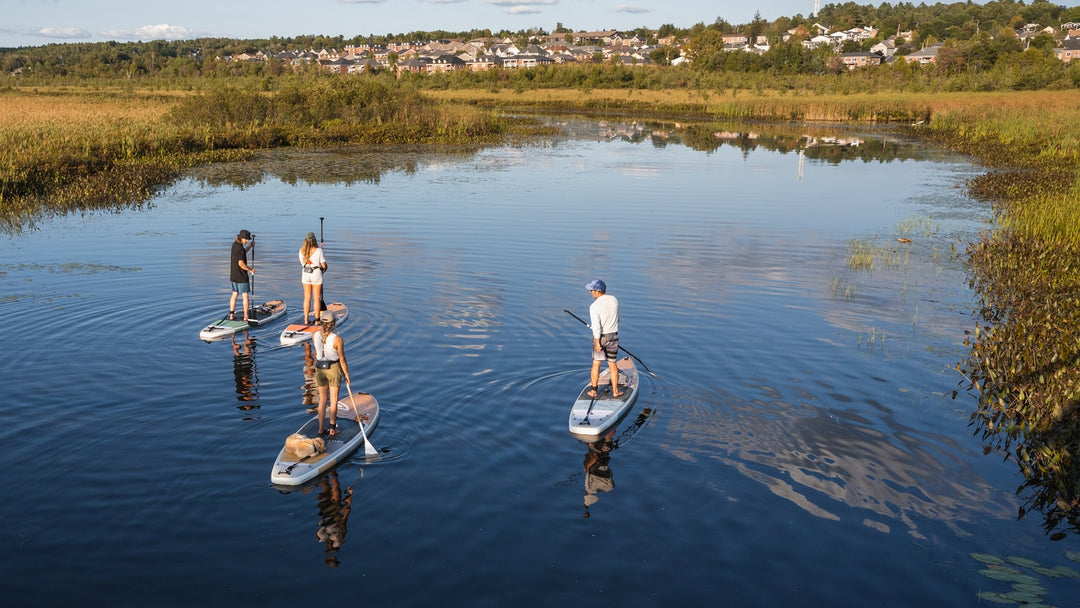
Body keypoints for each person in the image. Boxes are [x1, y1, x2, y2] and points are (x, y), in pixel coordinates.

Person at [313, 309, 350, 438]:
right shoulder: (337, 339)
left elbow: (316, 352)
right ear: (333, 323)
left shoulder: (315, 335)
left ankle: (321, 429)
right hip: (333, 368)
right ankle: (332, 429)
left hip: (319, 368)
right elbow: (342, 359)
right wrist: (346, 374)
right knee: (333, 401)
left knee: (322, 400)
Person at [586, 279, 622, 398]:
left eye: (592, 289)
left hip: (601, 338)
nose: (590, 291)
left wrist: (597, 343)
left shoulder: (594, 306)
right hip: (613, 337)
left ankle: (593, 391)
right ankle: (616, 391)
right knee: (612, 364)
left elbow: (596, 327)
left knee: (596, 363)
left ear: (598, 291)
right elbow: (618, 319)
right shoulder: (614, 299)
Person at [299, 231, 328, 325]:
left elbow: (303, 263)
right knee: (316, 298)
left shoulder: (301, 250)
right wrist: (324, 269)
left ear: (305, 240)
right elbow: (324, 265)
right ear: (314, 240)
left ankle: (306, 320)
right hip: (316, 274)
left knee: (307, 298)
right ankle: (317, 320)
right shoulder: (318, 250)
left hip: (305, 274)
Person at [229, 229, 255, 321]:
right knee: (245, 296)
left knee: (234, 294)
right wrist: (250, 270)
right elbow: (241, 263)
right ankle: (246, 316)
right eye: (246, 239)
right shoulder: (239, 248)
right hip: (241, 276)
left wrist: (250, 246)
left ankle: (231, 315)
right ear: (241, 238)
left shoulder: (235, 245)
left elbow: (242, 253)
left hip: (233, 275)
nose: (247, 241)